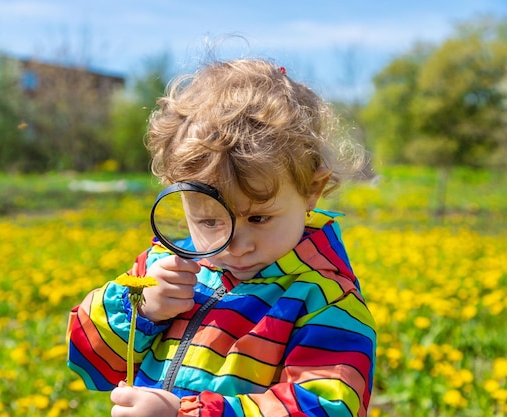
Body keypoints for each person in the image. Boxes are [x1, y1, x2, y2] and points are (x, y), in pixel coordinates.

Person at [67, 58, 377, 417]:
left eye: (259, 217)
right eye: (209, 221)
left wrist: (189, 413)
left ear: (311, 190)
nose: (236, 246)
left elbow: (324, 409)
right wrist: (142, 309)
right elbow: (87, 359)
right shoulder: (162, 268)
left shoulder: (324, 302)